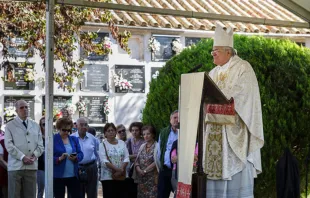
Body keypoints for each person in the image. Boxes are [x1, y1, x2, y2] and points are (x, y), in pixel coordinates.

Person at [204, 24, 264, 197]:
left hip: (234, 131)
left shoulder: (243, 68)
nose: (212, 54)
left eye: (216, 50)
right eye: (212, 51)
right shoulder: (213, 72)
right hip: (214, 132)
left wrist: (222, 99)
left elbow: (244, 95)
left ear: (228, 52)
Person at [4, 100, 44, 198]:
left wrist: (34, 156)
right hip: (15, 167)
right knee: (14, 195)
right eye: (22, 108)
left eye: (26, 107)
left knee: (30, 195)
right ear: (16, 110)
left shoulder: (35, 125)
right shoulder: (10, 126)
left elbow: (40, 145)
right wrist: (22, 157)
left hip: (31, 166)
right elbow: (9, 145)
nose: (25, 109)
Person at [53, 118, 83, 198]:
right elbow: (47, 157)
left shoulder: (74, 139)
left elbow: (80, 153)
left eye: (68, 130)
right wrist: (59, 159)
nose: (66, 132)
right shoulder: (53, 139)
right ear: (59, 128)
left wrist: (76, 158)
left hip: (73, 175)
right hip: (58, 176)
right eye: (64, 130)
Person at [99, 123, 129, 198]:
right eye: (108, 131)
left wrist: (121, 169)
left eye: (112, 130)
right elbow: (104, 160)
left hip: (122, 175)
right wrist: (117, 170)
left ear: (115, 132)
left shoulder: (122, 143)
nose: (111, 132)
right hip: (108, 177)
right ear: (105, 133)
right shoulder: (102, 145)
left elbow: (126, 157)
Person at [71, 117, 99, 198]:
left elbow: (97, 153)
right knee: (77, 194)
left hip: (91, 168)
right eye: (81, 125)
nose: (84, 127)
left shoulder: (93, 138)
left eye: (86, 125)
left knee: (92, 193)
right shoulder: (72, 138)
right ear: (76, 126)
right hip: (77, 168)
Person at [157, 110, 179, 198]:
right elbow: (159, 152)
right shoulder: (164, 133)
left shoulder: (185, 132)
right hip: (165, 170)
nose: (177, 120)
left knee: (179, 195)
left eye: (179, 118)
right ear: (170, 120)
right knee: (162, 195)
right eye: (175, 117)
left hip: (179, 172)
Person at [134, 125, 159, 198]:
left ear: (153, 134)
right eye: (144, 134)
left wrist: (145, 170)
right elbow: (137, 159)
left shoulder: (157, 146)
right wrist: (138, 169)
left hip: (152, 179)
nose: (146, 136)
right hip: (141, 178)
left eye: (148, 134)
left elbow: (156, 161)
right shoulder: (142, 146)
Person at [126, 122, 144, 198]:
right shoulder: (129, 141)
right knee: (130, 190)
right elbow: (125, 155)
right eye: (132, 130)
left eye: (136, 130)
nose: (134, 132)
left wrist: (132, 156)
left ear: (140, 131)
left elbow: (143, 156)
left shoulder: (144, 141)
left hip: (141, 168)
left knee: (140, 190)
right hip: (130, 169)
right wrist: (136, 155)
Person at [37, 117, 45, 198]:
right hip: (41, 167)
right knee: (40, 190)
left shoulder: (53, 137)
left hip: (52, 167)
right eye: (44, 124)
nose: (46, 126)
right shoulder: (38, 138)